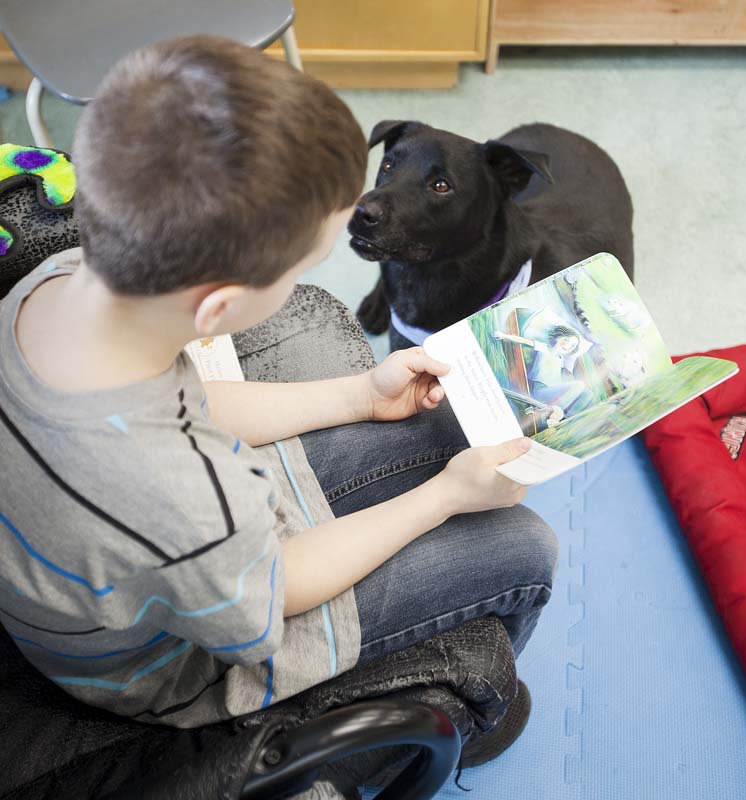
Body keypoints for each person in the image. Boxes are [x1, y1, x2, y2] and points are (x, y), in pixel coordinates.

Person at [0, 35, 557, 754]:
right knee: (524, 545)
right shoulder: (171, 490)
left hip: (165, 548)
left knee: (449, 425)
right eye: (301, 269)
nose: (304, 284)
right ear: (219, 308)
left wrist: (360, 395)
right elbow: (274, 594)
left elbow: (189, 402)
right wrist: (442, 498)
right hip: (179, 665)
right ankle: (474, 710)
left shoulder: (54, 283)